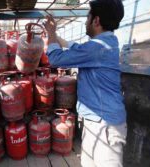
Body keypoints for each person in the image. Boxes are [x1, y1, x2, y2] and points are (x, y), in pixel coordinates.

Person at [43, 0, 127, 167]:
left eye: (87, 17)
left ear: (96, 21)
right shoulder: (104, 44)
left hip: (105, 125)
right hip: (96, 121)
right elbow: (75, 47)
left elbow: (55, 58)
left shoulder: (98, 47)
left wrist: (51, 33)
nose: (85, 21)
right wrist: (54, 35)